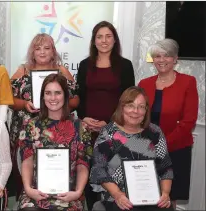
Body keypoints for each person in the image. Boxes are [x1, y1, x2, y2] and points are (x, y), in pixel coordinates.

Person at [8, 33, 79, 199]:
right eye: (37, 48)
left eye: (46, 48)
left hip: (58, 130)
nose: (42, 52)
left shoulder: (62, 71)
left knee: (56, 166)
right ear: (32, 52)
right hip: (26, 130)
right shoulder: (22, 70)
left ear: (53, 51)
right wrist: (24, 104)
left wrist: (58, 105)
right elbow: (8, 98)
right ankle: (26, 198)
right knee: (25, 168)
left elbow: (76, 100)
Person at [75, 20, 135, 210]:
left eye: (108, 36)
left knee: (112, 173)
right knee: (89, 171)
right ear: (93, 41)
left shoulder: (125, 65)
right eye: (99, 37)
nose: (104, 40)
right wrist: (84, 117)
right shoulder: (85, 65)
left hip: (115, 129)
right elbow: (80, 96)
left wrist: (109, 123)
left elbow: (128, 99)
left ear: (115, 40)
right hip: (87, 130)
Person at [90, 86, 174, 211]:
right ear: (122, 107)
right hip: (118, 197)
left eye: (141, 107)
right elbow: (98, 170)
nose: (135, 111)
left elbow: (165, 167)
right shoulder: (109, 133)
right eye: (130, 105)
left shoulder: (154, 132)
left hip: (151, 196)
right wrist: (117, 194)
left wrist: (165, 193)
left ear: (146, 110)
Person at [138, 38, 199, 208]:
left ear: (175, 59)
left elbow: (188, 122)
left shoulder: (188, 82)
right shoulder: (144, 84)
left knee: (169, 199)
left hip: (176, 150)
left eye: (167, 56)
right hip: (146, 149)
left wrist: (162, 145)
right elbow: (137, 116)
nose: (162, 60)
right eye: (157, 56)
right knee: (145, 195)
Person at [17, 74, 92, 211]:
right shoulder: (30, 126)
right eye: (48, 93)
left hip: (69, 194)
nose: (52, 98)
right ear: (42, 96)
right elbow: (26, 161)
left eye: (58, 93)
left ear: (66, 95)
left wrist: (78, 192)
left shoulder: (81, 127)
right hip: (36, 193)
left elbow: (83, 164)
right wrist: (28, 189)